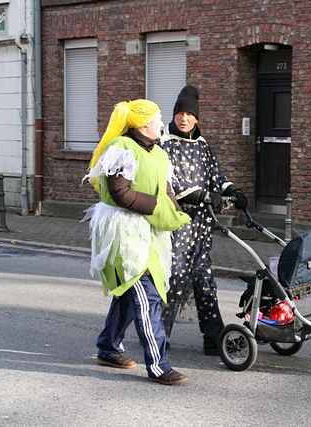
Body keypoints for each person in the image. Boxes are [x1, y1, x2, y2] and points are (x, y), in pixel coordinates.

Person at [83, 99, 191, 385]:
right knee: (147, 297)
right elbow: (120, 193)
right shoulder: (121, 148)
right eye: (157, 120)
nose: (161, 125)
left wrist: (179, 206)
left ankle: (108, 347)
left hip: (151, 233)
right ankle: (159, 365)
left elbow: (166, 190)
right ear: (143, 124)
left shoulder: (158, 153)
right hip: (125, 233)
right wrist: (158, 206)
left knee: (129, 296)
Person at [160, 85, 247, 355]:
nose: (183, 118)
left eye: (189, 114)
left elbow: (216, 177)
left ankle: (213, 336)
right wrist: (201, 196)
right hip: (178, 222)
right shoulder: (165, 146)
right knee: (175, 278)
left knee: (205, 280)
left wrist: (231, 190)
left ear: (197, 118)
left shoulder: (203, 146)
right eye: (179, 113)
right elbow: (170, 180)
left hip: (202, 225)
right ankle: (158, 333)